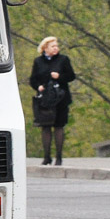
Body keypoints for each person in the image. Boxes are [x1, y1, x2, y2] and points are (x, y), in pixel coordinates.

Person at [29, 36, 76, 165]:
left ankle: (59, 157)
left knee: (59, 126)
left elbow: (71, 76)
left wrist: (59, 76)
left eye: (56, 46)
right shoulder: (38, 61)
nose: (56, 48)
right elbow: (33, 79)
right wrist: (38, 86)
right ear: (45, 48)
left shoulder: (63, 60)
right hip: (45, 100)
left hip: (61, 98)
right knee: (45, 127)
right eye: (53, 46)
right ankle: (46, 157)